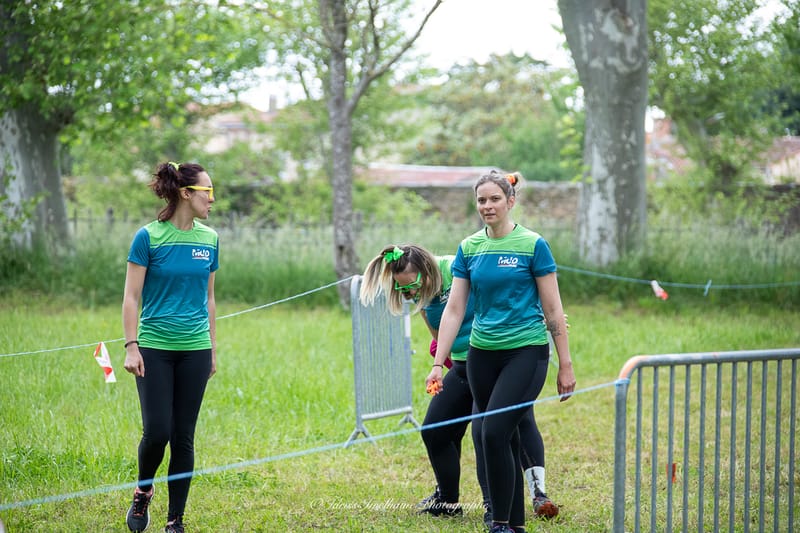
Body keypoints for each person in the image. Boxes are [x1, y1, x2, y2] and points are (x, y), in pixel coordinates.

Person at [359, 244, 559, 527]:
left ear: (427, 270)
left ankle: (501, 505)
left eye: (412, 285)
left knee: (487, 433)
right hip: (463, 364)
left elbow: (506, 295)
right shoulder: (421, 294)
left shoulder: (458, 269)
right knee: (435, 429)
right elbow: (439, 330)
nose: (410, 293)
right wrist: (441, 365)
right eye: (403, 290)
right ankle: (447, 500)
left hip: (496, 358)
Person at [426, 170, 576, 533]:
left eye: (495, 199)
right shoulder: (470, 247)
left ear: (511, 201)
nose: (487, 206)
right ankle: (513, 525)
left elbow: (553, 309)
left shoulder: (532, 244)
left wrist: (565, 364)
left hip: (526, 351)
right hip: (481, 355)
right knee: (490, 435)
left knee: (492, 432)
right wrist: (436, 363)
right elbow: (455, 308)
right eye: (481, 200)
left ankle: (500, 521)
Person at [122, 161, 219, 533]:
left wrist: (211, 349)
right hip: (154, 349)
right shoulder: (148, 237)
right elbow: (131, 297)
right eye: (207, 192)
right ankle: (143, 490)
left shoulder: (209, 239)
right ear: (185, 193)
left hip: (195, 349)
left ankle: (175, 520)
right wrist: (132, 346)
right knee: (158, 431)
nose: (212, 199)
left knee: (183, 436)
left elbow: (209, 299)